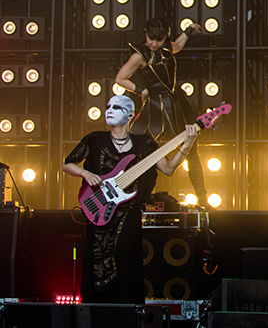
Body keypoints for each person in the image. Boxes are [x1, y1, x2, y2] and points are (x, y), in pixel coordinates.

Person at [63, 95, 196, 304]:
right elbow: (67, 164)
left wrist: (186, 145)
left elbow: (168, 169)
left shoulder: (144, 144)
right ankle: (94, 318)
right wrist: (85, 174)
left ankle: (127, 320)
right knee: (95, 265)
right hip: (98, 214)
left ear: (131, 114)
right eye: (107, 106)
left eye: (116, 107)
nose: (109, 110)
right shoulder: (94, 139)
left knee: (127, 266)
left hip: (129, 217)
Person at [115, 17, 207, 206]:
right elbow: (121, 78)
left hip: (176, 102)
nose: (154, 43)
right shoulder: (140, 55)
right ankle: (131, 198)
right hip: (156, 104)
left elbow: (178, 45)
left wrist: (189, 30)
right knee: (141, 150)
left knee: (192, 149)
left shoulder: (166, 48)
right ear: (145, 34)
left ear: (166, 36)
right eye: (151, 38)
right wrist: (142, 91)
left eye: (159, 39)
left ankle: (203, 198)